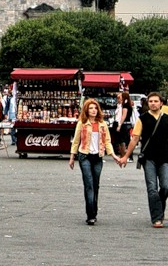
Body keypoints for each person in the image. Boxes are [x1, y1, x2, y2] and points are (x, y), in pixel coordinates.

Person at [116, 92, 168, 228]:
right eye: (151, 101)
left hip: (165, 158)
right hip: (149, 158)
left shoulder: (167, 118)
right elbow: (134, 139)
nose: (153, 103)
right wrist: (126, 156)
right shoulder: (142, 119)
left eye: (156, 101)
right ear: (148, 103)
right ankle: (157, 218)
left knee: (166, 186)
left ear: (161, 103)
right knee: (152, 188)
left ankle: (160, 208)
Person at [68, 98, 115, 225]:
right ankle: (90, 215)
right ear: (86, 110)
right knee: (88, 184)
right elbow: (76, 141)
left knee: (96, 185)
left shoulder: (102, 124)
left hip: (98, 157)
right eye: (91, 108)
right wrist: (72, 157)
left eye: (95, 108)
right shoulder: (82, 123)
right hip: (85, 156)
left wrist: (113, 155)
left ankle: (94, 211)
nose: (93, 110)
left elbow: (107, 141)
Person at [113, 91, 134, 158]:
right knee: (126, 139)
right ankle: (126, 155)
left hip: (124, 124)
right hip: (128, 123)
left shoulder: (125, 106)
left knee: (122, 140)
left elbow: (124, 115)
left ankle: (124, 155)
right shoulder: (129, 105)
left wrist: (119, 125)